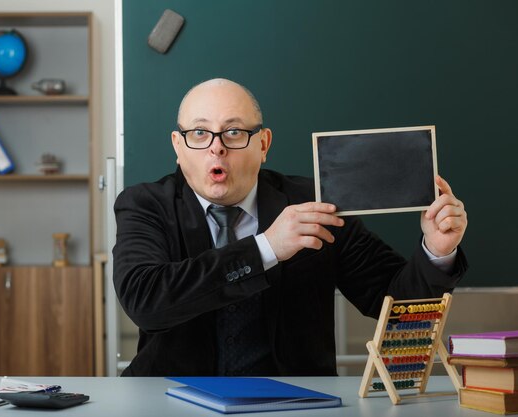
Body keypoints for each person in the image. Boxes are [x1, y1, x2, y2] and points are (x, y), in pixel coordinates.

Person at [113, 78, 468, 376]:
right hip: (170, 400)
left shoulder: (316, 203)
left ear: (263, 143)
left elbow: (394, 302)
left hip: (297, 401)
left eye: (234, 132)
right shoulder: (145, 204)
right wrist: (266, 248)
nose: (216, 148)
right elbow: (146, 302)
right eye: (200, 133)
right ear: (179, 146)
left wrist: (437, 251)